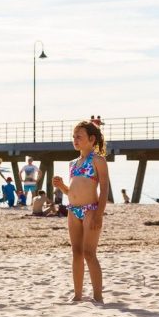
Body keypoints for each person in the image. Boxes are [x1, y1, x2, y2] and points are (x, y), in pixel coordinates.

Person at [52, 121, 109, 304]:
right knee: (76, 252)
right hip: (73, 210)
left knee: (89, 253)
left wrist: (99, 214)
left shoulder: (98, 160)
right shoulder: (73, 163)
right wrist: (62, 187)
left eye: (79, 137)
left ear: (91, 139)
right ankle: (77, 294)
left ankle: (97, 296)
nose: (75, 140)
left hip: (90, 210)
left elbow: (105, 188)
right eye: (73, 137)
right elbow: (73, 193)